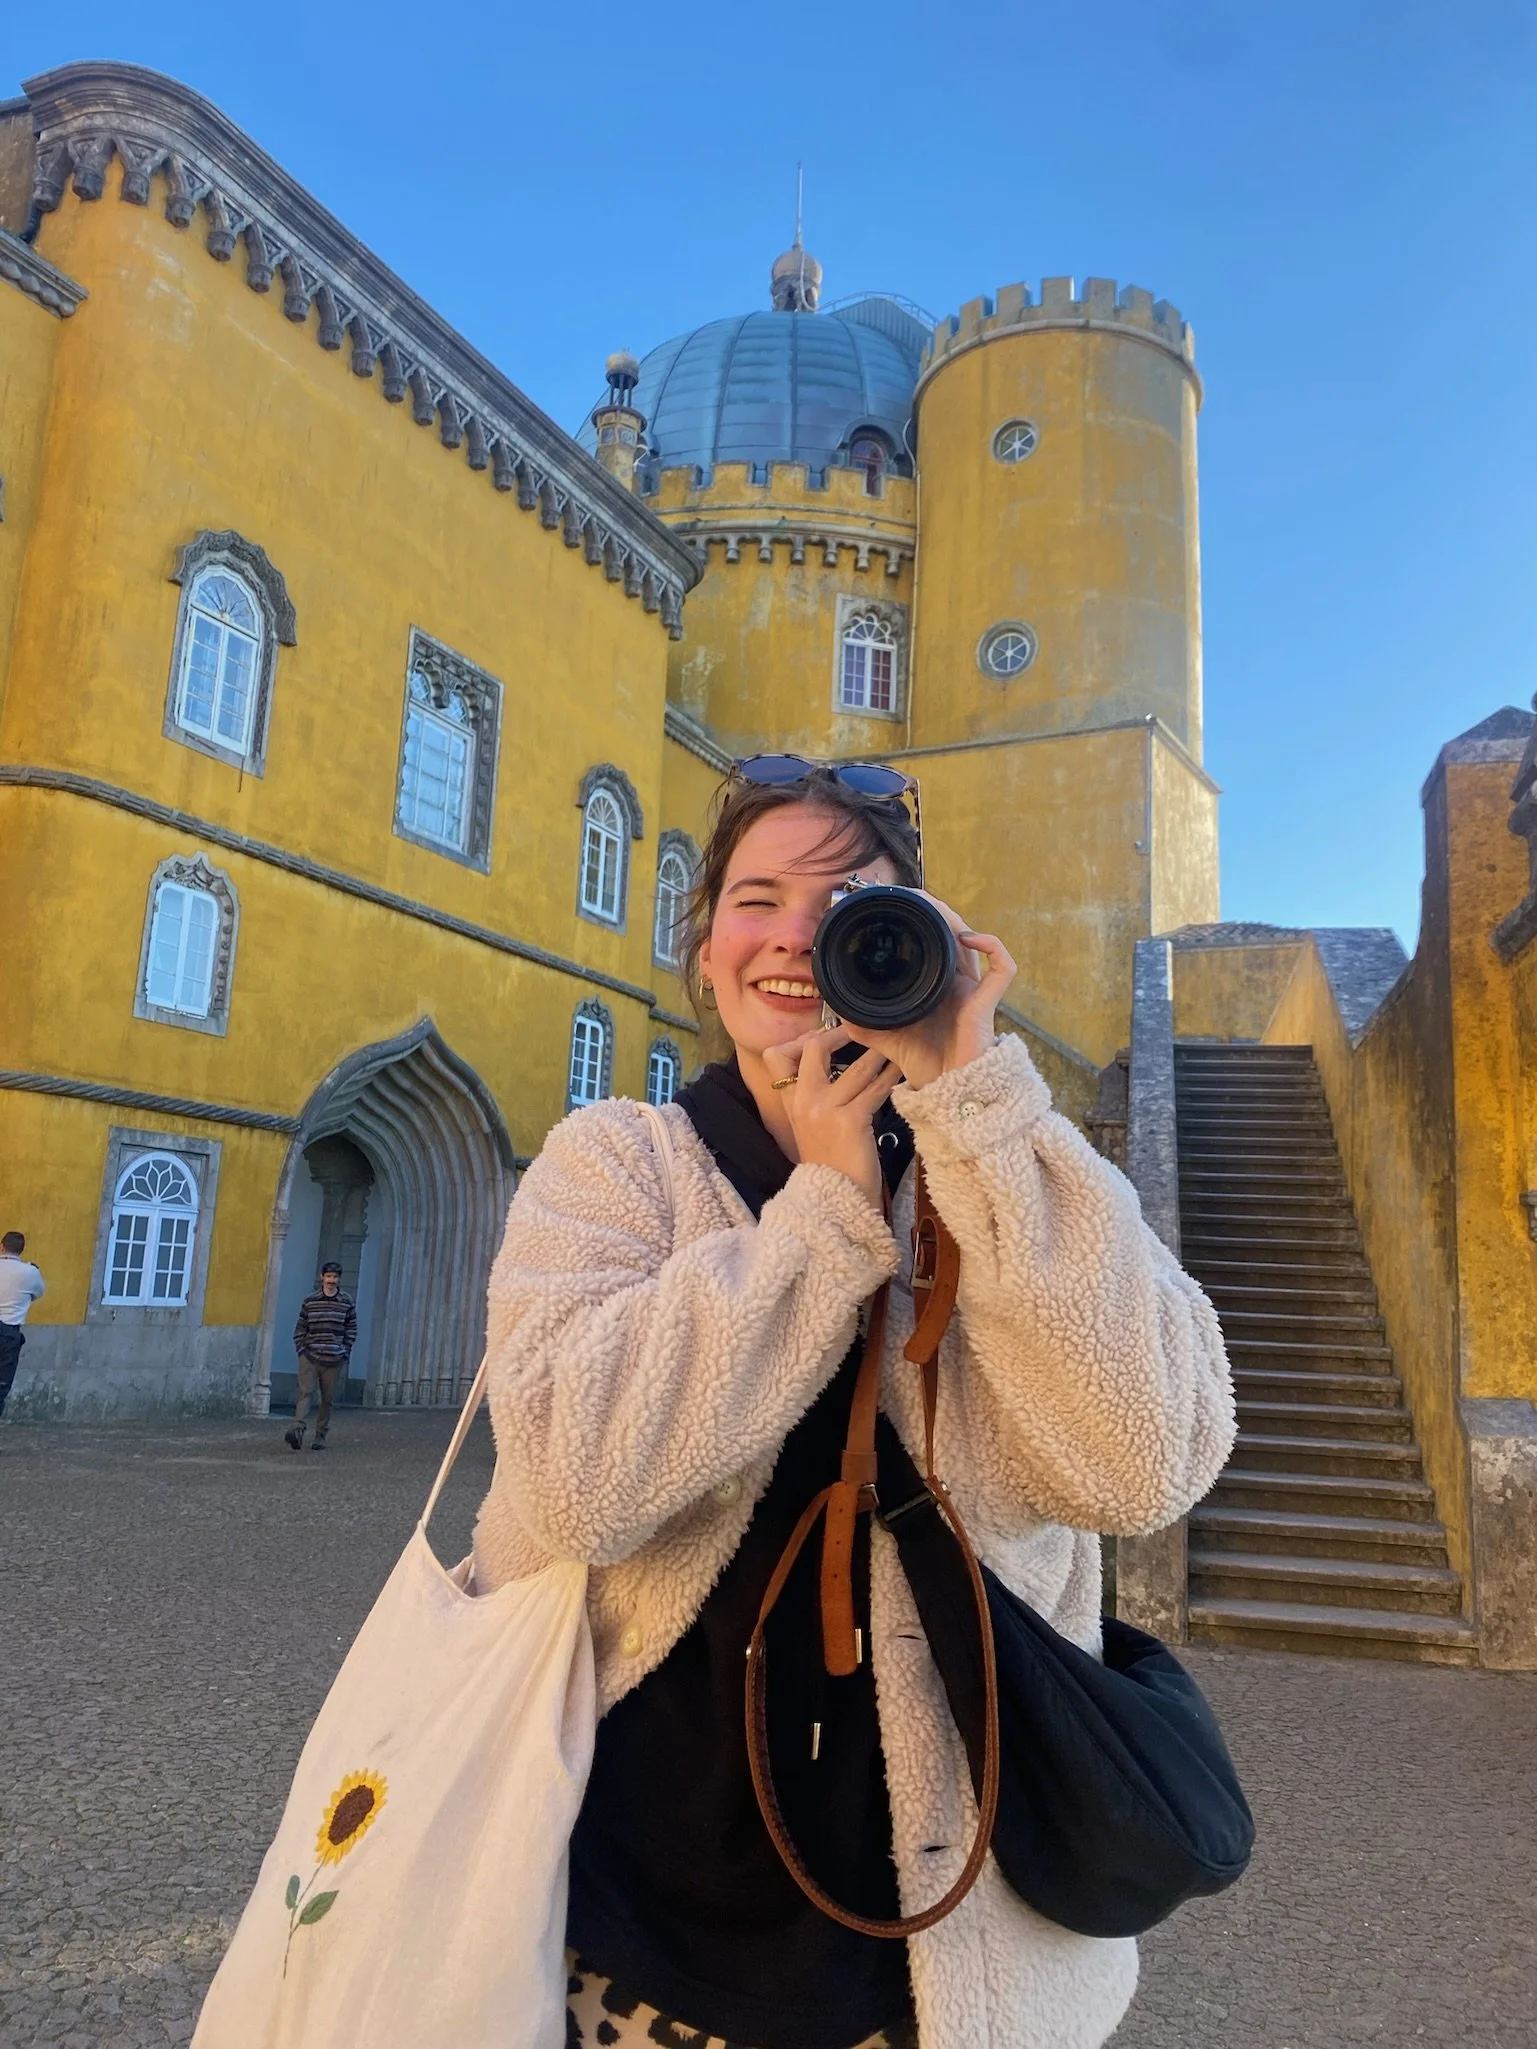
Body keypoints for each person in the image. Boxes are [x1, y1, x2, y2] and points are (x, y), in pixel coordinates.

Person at [472, 765, 1235, 2049]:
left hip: (945, 1956)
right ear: (703, 947)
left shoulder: (997, 1165)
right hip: (623, 1927)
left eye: (846, 908)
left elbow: (1142, 1461)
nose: (793, 937)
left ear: (920, 944)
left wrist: (976, 1105)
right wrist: (823, 1216)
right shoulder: (617, 1163)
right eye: (755, 899)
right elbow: (570, 1484)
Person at [285, 1261, 356, 1451]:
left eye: (335, 1277)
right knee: (305, 1393)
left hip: (333, 1358)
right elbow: (301, 1326)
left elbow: (351, 1328)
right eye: (329, 1276)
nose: (331, 1280)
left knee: (327, 1399)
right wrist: (301, 1348)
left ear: (339, 1279)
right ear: (322, 1277)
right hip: (310, 1355)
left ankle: (320, 1435)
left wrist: (345, 1350)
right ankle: (297, 1429)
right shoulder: (310, 1301)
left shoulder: (346, 1302)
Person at [0, 1230, 45, 1419]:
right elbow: (38, 1293)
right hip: (8, 1334)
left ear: (1, 1247)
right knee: (1, 1386)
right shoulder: (31, 1272)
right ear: (21, 1250)